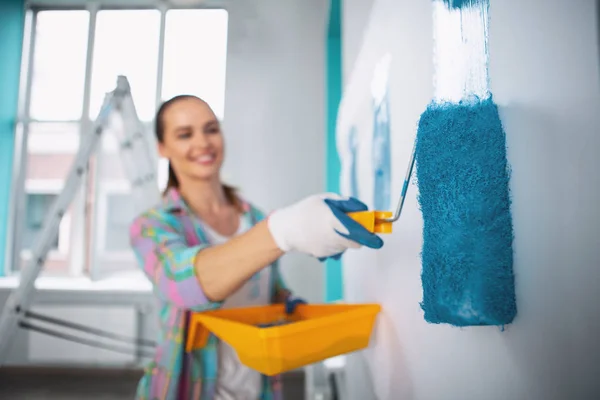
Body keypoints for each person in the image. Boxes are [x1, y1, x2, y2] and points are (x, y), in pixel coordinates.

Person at [129, 94, 384, 400]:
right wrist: (283, 230)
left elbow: (267, 294)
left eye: (211, 129)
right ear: (162, 148)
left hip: (257, 389)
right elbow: (182, 284)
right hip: (189, 389)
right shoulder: (151, 226)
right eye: (185, 134)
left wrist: (298, 309)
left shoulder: (253, 217)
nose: (203, 142)